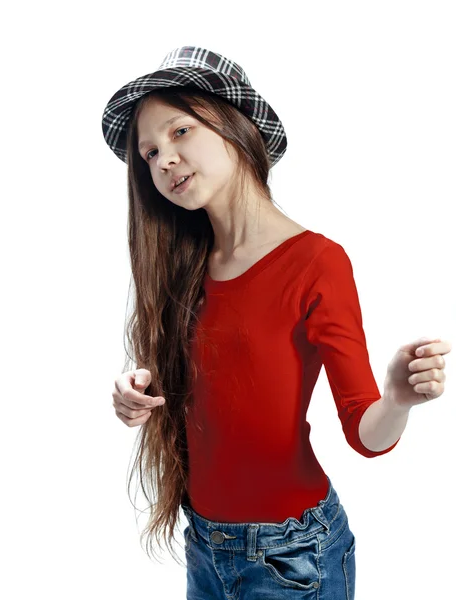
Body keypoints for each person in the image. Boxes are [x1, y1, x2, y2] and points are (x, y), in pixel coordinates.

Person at [102, 46, 450, 600]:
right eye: (148, 152)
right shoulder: (186, 266)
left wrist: (398, 398)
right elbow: (209, 391)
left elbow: (367, 435)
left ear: (235, 128)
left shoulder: (316, 262)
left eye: (180, 132)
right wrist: (136, 391)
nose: (162, 159)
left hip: (291, 556)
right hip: (205, 544)